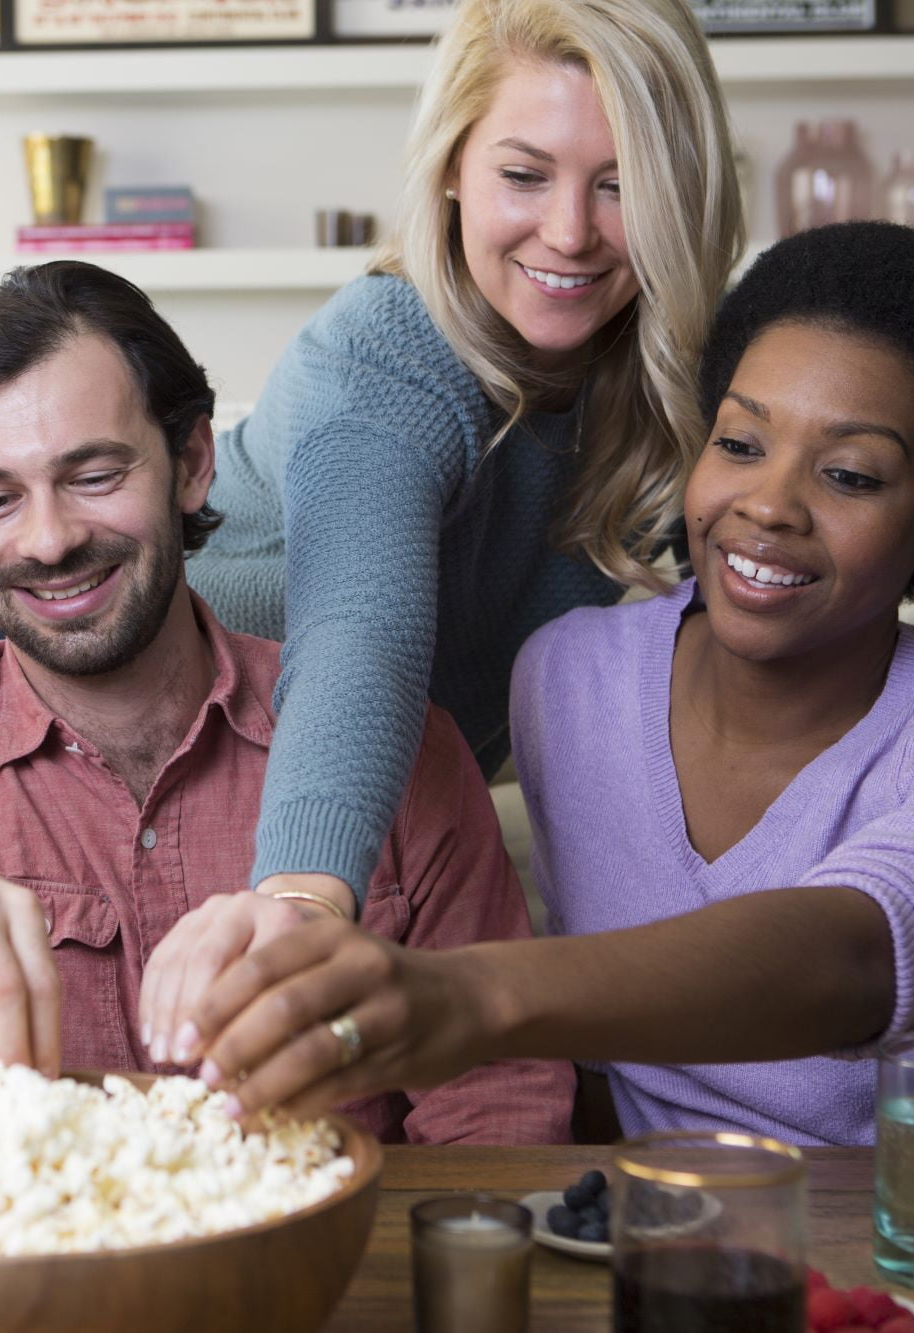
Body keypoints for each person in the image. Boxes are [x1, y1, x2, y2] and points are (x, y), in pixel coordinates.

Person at [175, 222, 914, 1147]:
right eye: (741, 445)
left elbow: (861, 955)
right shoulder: (567, 677)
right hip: (689, 1252)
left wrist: (469, 995)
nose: (767, 505)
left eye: (848, 475)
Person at [0, 261, 571, 1144]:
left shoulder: (389, 748)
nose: (49, 540)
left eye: (93, 475)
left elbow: (503, 1107)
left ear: (193, 464)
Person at [155, 0, 745, 995]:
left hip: (352, 833)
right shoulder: (384, 350)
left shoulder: (678, 385)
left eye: (620, 185)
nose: (568, 233)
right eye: (522, 174)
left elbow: (769, 664)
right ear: (450, 176)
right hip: (98, 761)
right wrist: (302, 901)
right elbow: (361, 633)